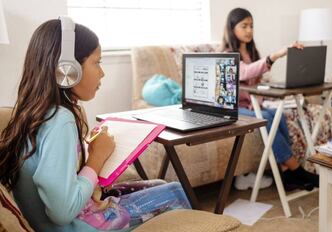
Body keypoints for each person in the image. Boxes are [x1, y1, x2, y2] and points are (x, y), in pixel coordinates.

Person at [0, 18, 190, 232]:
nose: (102, 72)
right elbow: (62, 211)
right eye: (97, 62)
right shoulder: (60, 120)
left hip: (64, 219)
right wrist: (97, 158)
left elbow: (57, 182)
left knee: (159, 186)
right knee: (173, 191)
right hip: (77, 225)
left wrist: (88, 170)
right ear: (68, 69)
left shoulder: (34, 111)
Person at [220, 8, 319, 191]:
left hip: (250, 106)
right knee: (265, 119)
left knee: (277, 114)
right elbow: (245, 72)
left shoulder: (251, 53)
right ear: (232, 28)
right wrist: (276, 55)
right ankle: (297, 170)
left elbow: (255, 80)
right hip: (231, 109)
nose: (249, 30)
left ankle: (285, 172)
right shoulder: (226, 54)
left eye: (251, 26)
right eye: (244, 26)